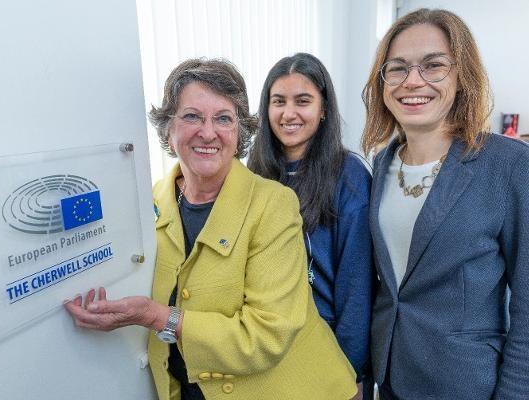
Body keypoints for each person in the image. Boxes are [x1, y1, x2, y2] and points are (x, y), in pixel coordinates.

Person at [65, 58, 357, 400]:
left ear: (239, 133)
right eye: (192, 116)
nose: (208, 132)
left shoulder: (273, 205)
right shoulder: (150, 202)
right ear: (168, 129)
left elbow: (267, 337)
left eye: (223, 119)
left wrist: (157, 316)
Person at [361, 8, 529, 400]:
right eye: (397, 68)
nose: (412, 80)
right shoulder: (382, 163)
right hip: (390, 378)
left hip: (465, 384)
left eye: (433, 65)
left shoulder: (508, 165)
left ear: (462, 76)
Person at [248, 53, 374, 399]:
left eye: (302, 101)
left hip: (327, 347)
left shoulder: (349, 178)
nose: (289, 113)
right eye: (278, 102)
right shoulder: (254, 174)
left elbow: (357, 287)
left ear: (323, 109)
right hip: (267, 346)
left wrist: (351, 370)